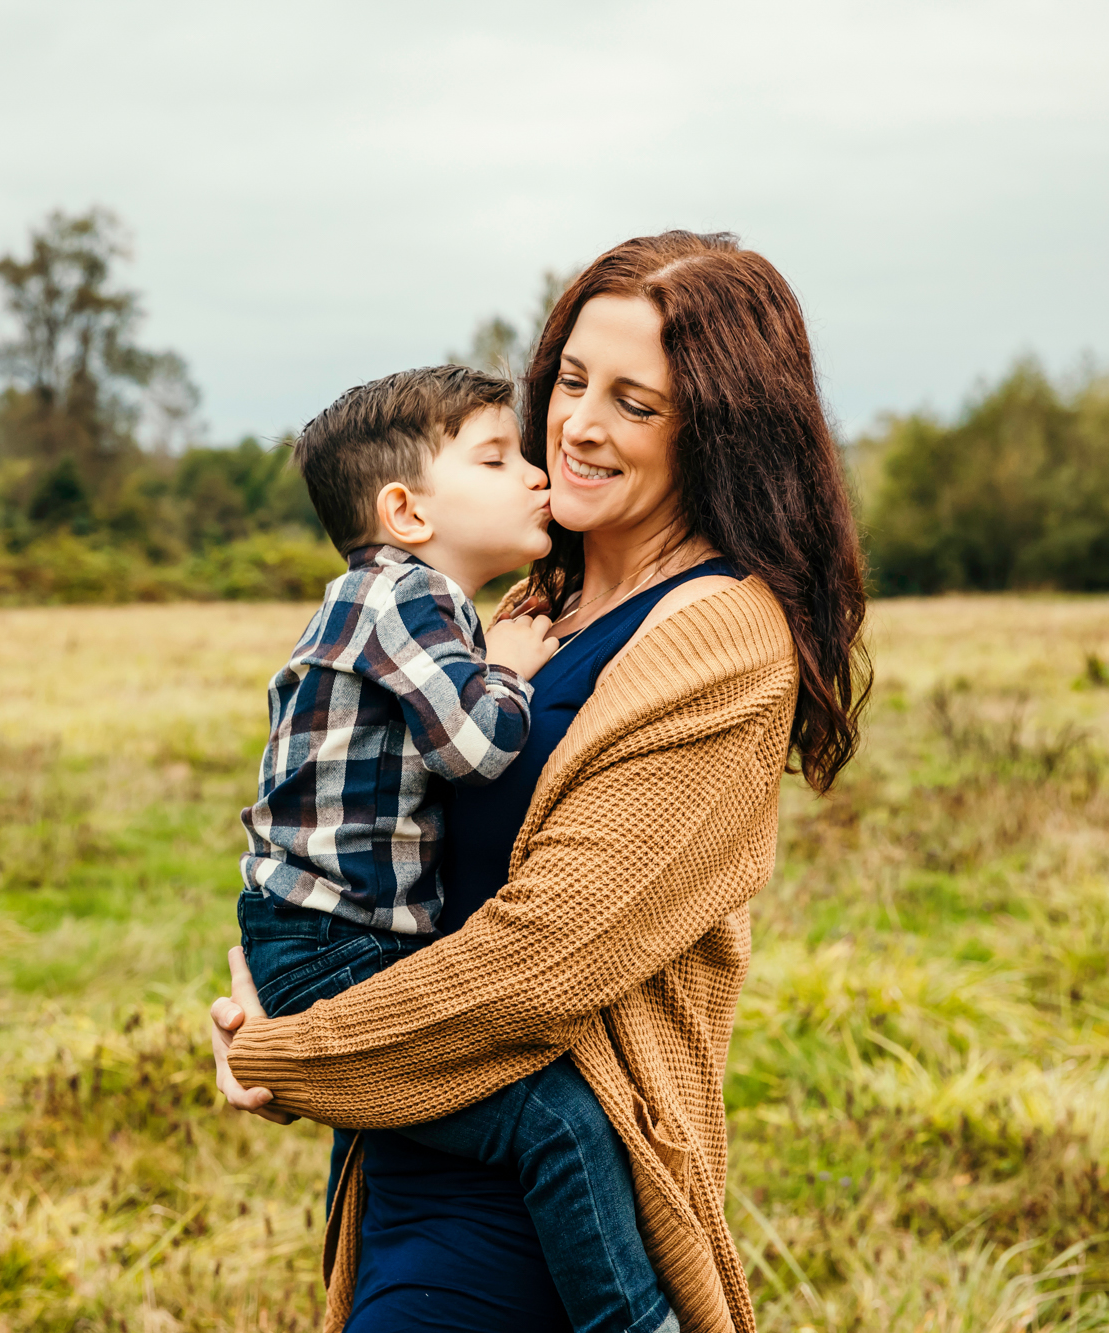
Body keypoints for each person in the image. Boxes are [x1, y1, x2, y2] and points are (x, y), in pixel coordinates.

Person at [213, 230, 870, 1333]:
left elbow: (541, 962)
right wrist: (283, 978)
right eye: (567, 379)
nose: (575, 425)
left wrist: (290, 1054)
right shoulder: (517, 612)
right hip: (408, 1147)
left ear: (715, 432)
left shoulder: (718, 637)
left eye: (634, 402)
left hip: (552, 1202)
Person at [236, 363, 678, 1333]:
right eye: (495, 457)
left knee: (411, 1110)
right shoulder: (405, 600)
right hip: (333, 944)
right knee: (554, 1119)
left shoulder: (380, 600)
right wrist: (510, 669)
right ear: (404, 509)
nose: (533, 473)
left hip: (316, 932)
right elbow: (477, 744)